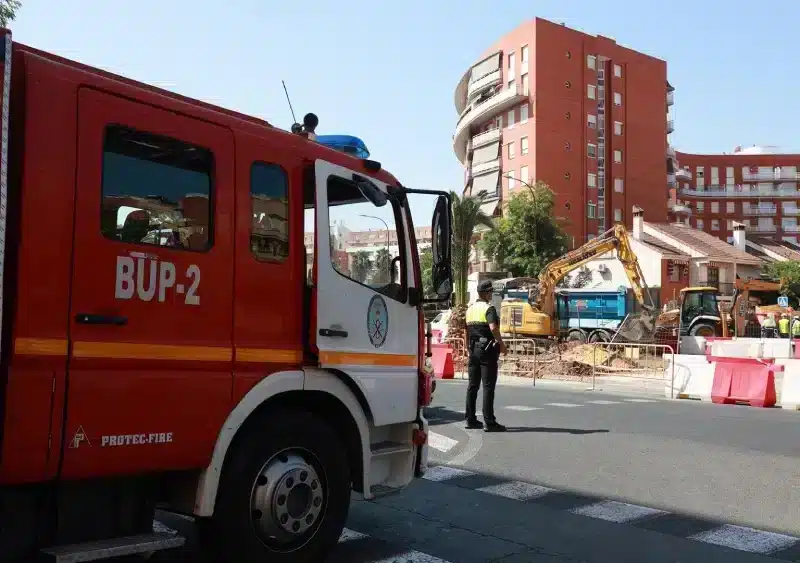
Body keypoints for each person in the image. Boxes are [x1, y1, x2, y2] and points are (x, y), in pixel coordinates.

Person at [464, 280, 507, 432]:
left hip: (473, 349)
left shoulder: (469, 309)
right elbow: (493, 327)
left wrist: (467, 348)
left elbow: (467, 331)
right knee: (488, 387)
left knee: (472, 386)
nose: (491, 295)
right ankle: (489, 422)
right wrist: (501, 343)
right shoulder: (489, 308)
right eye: (490, 292)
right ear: (486, 293)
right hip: (487, 351)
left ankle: (470, 419)